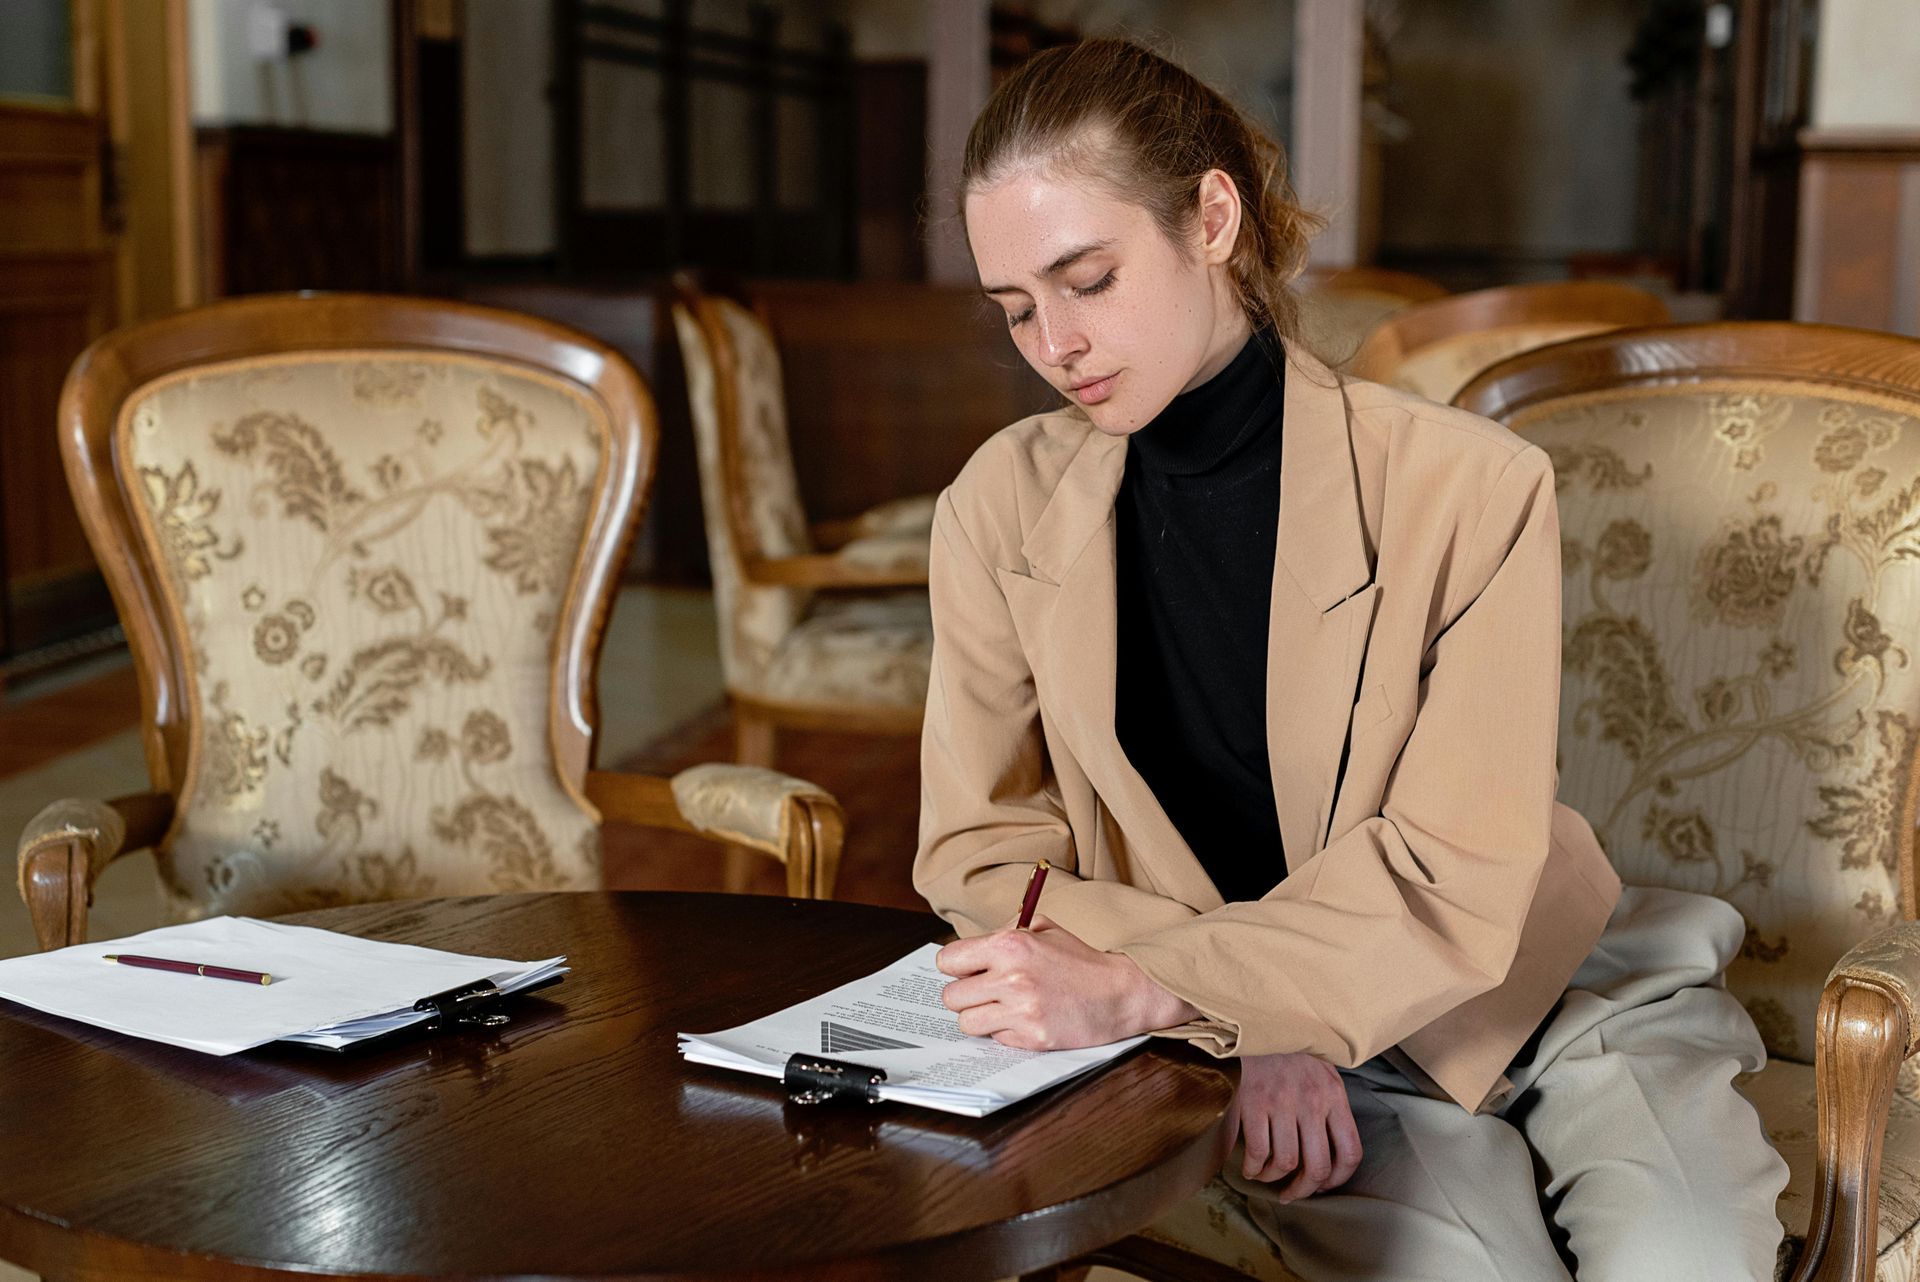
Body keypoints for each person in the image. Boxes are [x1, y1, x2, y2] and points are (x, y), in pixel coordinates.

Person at [913, 37, 1789, 1282]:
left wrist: (1182, 991)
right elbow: (980, 856)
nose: (1053, 341)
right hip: (1295, 1065)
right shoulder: (996, 510)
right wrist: (1239, 1024)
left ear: (1212, 217)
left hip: (1551, 990)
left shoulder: (1469, 486)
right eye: (1015, 308)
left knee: (1690, 1259)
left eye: (1089, 278)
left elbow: (1453, 869)